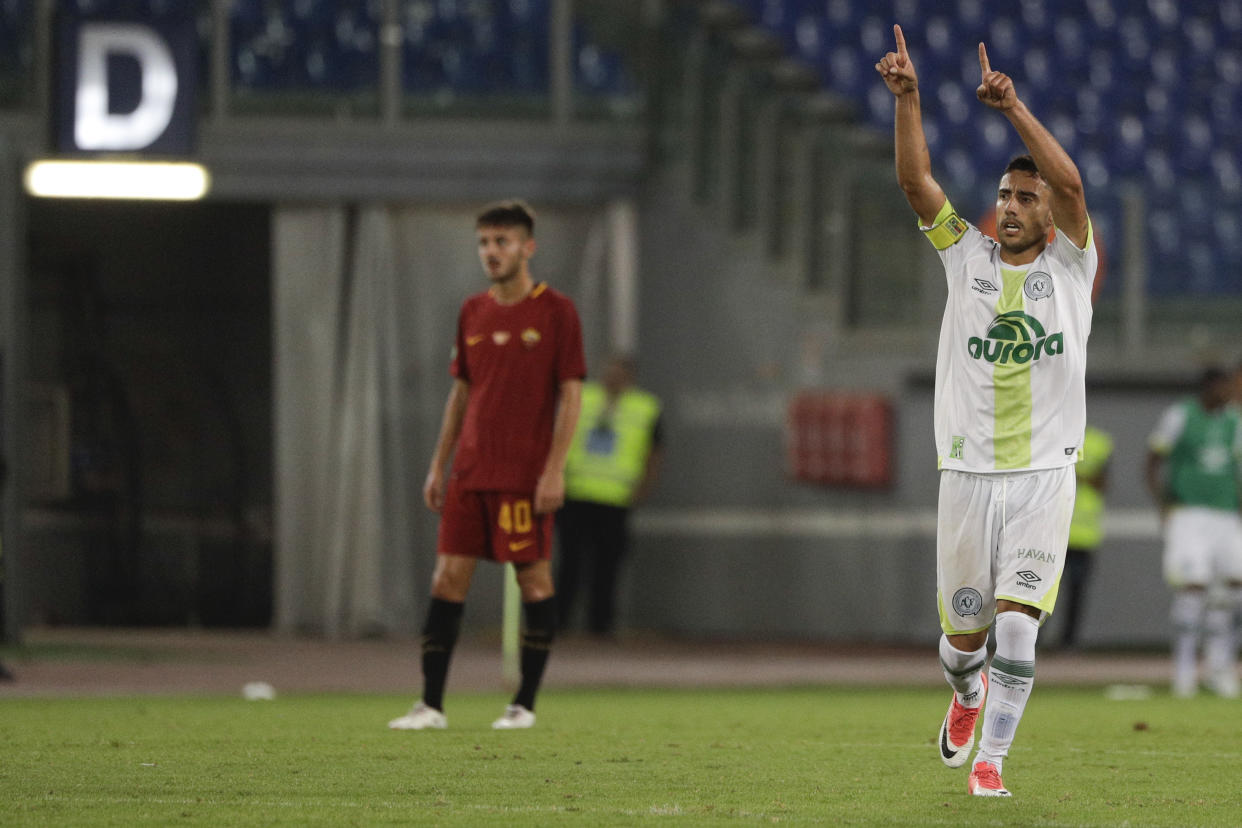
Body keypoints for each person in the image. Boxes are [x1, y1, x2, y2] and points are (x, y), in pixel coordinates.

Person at [877, 25, 1097, 796]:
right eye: (1003, 194)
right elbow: (916, 184)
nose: (1007, 206)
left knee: (1015, 624)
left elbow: (1072, 187)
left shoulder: (1072, 267)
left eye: (1023, 198)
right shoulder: (964, 256)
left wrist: (1011, 108)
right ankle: (966, 695)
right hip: (968, 474)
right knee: (964, 639)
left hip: (1044, 476)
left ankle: (993, 764)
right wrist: (908, 100)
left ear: (1048, 217)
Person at [388, 200, 585, 731]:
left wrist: (554, 468)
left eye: (502, 242)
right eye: (484, 243)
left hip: (523, 475)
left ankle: (523, 705)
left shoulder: (556, 312)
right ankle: (430, 705)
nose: (491, 252)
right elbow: (461, 393)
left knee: (534, 582)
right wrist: (438, 464)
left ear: (528, 247)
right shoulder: (472, 311)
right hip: (470, 474)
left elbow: (571, 395)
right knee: (447, 577)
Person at [1145, 367, 1242, 698]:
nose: (1229, 390)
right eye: (1224, 385)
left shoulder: (1235, 420)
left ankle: (1220, 668)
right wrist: (1164, 505)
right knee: (1193, 588)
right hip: (1189, 514)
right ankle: (1184, 672)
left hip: (1226, 515)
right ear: (1210, 387)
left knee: (1232, 588)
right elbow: (1154, 459)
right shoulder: (1180, 414)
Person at [557, 355, 663, 637]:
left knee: (607, 566)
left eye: (620, 373)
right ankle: (559, 623)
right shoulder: (583, 398)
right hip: (576, 493)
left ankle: (600, 627)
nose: (613, 377)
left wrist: (644, 487)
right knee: (570, 562)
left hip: (616, 498)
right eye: (609, 371)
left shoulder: (645, 407)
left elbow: (655, 451)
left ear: (630, 377)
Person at [1058, 424, 1113, 649]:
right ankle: (1034, 641)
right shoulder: (1056, 434)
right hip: (1056, 530)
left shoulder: (1100, 442)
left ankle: (1068, 642)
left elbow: (1103, 483)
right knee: (1038, 588)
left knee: (1076, 591)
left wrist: (1075, 473)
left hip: (1084, 533)